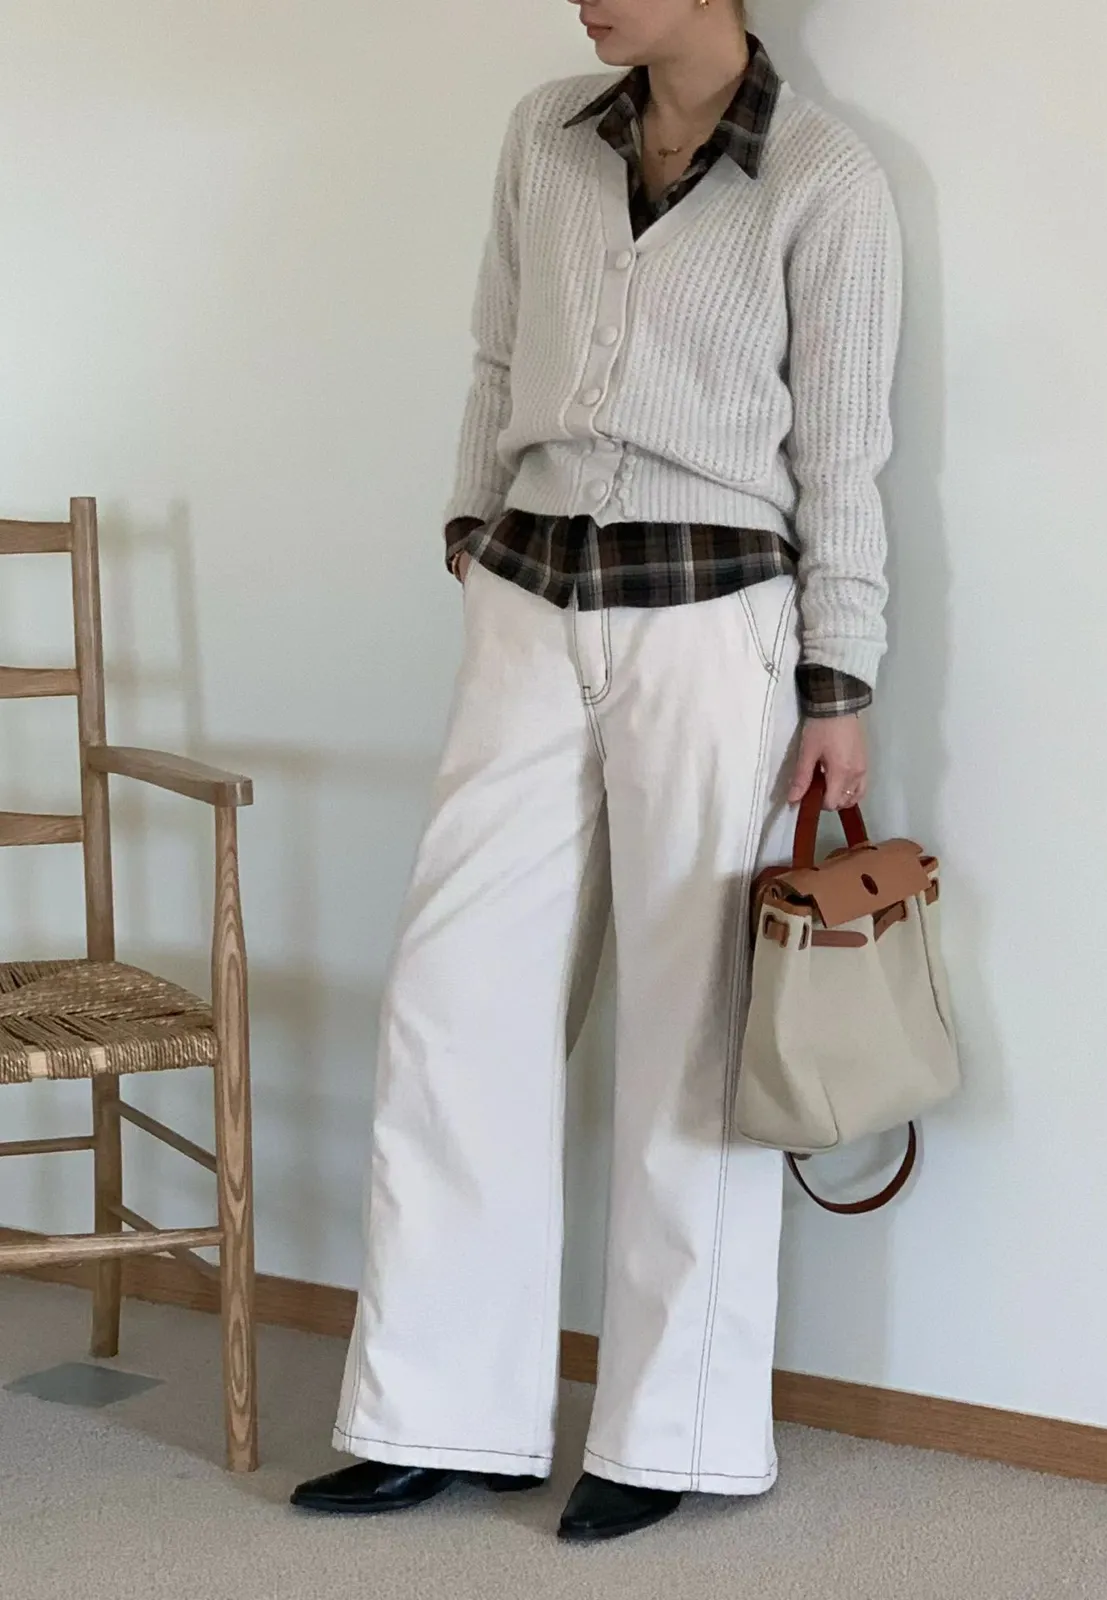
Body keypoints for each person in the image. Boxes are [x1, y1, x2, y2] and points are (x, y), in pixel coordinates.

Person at [293, 0, 901, 1543]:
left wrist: (840, 678)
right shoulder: (547, 134)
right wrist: (469, 526)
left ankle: (670, 1432)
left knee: (690, 1030)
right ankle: (441, 1408)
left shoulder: (822, 176)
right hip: (528, 600)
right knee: (456, 1006)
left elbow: (845, 452)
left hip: (713, 621)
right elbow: (498, 351)